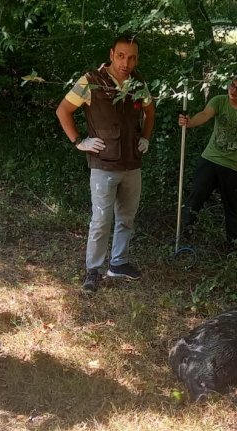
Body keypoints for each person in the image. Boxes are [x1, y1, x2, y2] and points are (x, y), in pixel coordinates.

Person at [56, 34, 155, 292]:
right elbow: (63, 110)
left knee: (127, 218)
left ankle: (119, 263)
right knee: (101, 220)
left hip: (132, 163)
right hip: (103, 164)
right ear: (111, 54)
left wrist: (145, 137)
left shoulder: (138, 82)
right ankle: (94, 270)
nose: (126, 62)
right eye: (121, 56)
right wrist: (79, 141)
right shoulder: (90, 81)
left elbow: (150, 110)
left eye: (132, 57)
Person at [177, 76, 237, 249]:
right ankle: (185, 233)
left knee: (231, 206)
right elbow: (205, 115)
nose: (234, 90)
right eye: (231, 85)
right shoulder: (219, 101)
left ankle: (232, 245)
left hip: (233, 166)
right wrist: (189, 122)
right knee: (196, 196)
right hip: (210, 158)